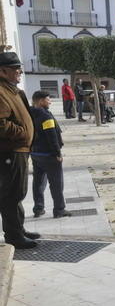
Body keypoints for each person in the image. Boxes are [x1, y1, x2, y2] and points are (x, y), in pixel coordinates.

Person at [0, 52, 40, 249]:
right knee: (11, 195)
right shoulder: (1, 91)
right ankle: (14, 236)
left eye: (19, 68)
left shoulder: (12, 90)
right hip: (10, 151)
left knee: (17, 193)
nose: (19, 71)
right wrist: (23, 133)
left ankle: (19, 229)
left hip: (20, 150)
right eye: (15, 68)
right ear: (3, 71)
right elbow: (1, 124)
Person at [30, 91, 72, 219]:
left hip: (35, 153)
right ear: (41, 101)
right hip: (49, 154)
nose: (50, 102)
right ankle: (59, 210)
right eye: (48, 100)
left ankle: (38, 208)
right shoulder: (45, 116)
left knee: (38, 182)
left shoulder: (29, 113)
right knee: (56, 183)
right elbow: (51, 135)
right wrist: (57, 153)